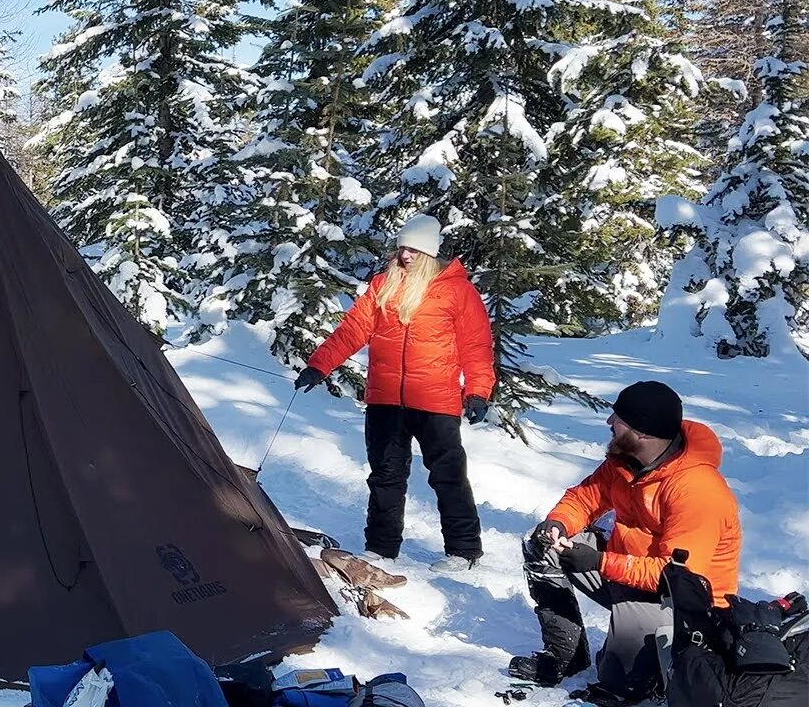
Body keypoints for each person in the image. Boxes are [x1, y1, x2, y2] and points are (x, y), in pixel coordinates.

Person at [510, 380, 741, 704]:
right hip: (629, 570)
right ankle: (566, 653)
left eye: (617, 419)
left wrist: (600, 563)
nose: (609, 423)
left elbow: (678, 577)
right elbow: (586, 497)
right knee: (543, 548)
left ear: (643, 432)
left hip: (683, 604)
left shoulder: (698, 490)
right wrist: (558, 523)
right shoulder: (627, 459)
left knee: (618, 683)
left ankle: (660, 666)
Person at [294, 214, 495, 573]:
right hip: (385, 399)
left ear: (430, 253)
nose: (405, 256)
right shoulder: (382, 285)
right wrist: (319, 365)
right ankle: (381, 548)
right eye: (402, 247)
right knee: (385, 475)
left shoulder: (457, 291)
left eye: (414, 250)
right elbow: (352, 330)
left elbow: (476, 346)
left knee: (447, 475)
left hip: (435, 401)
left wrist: (478, 391)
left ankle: (464, 550)